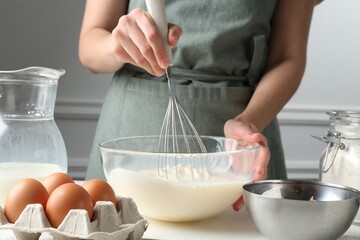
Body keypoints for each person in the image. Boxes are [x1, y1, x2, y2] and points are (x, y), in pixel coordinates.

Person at [79, 0, 321, 210]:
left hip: (243, 141)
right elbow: (90, 46)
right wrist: (116, 45)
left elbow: (288, 57)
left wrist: (249, 121)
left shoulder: (246, 136)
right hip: (133, 127)